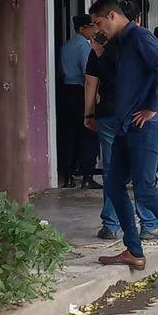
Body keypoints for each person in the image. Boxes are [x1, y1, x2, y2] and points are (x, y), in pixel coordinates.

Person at [88, 0, 158, 283]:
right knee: (114, 184)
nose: (95, 27)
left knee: (145, 188)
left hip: (146, 124)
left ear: (112, 16)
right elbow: (118, 76)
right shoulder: (120, 43)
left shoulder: (140, 37)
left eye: (98, 22)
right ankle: (133, 250)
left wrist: (153, 107)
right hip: (126, 125)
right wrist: (100, 49)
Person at [84, 36, 158, 242]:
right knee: (142, 170)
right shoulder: (140, 46)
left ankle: (111, 225)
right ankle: (148, 224)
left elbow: (90, 83)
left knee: (112, 171)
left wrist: (88, 114)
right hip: (138, 116)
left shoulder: (99, 51)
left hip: (109, 115)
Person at [58, 15, 101, 189]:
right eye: (92, 26)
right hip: (81, 91)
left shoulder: (66, 46)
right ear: (82, 29)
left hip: (66, 90)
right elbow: (88, 75)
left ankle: (68, 174)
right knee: (88, 133)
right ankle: (87, 175)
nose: (95, 30)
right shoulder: (84, 46)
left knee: (70, 134)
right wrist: (96, 97)